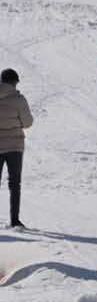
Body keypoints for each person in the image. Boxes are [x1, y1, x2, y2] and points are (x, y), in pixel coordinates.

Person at [0, 69, 32, 227]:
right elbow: (27, 123)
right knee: (14, 184)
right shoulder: (19, 99)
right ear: (14, 82)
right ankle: (14, 220)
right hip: (15, 147)